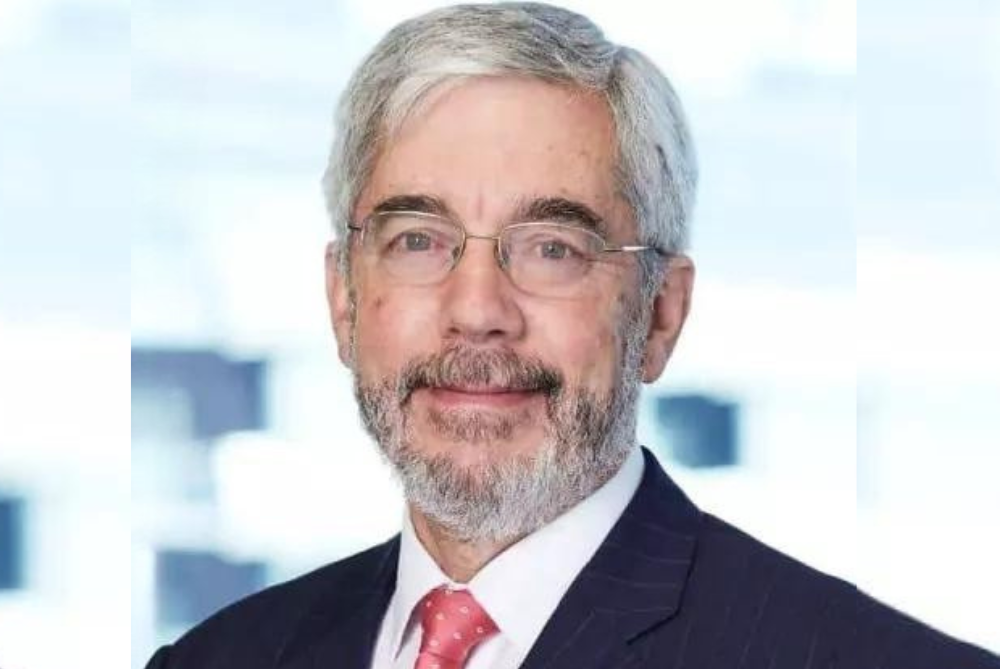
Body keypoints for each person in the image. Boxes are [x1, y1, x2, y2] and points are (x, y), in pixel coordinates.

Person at [145, 3, 998, 668]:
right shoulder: (220, 658)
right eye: (418, 240)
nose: (477, 306)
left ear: (659, 312)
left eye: (553, 248)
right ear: (342, 296)